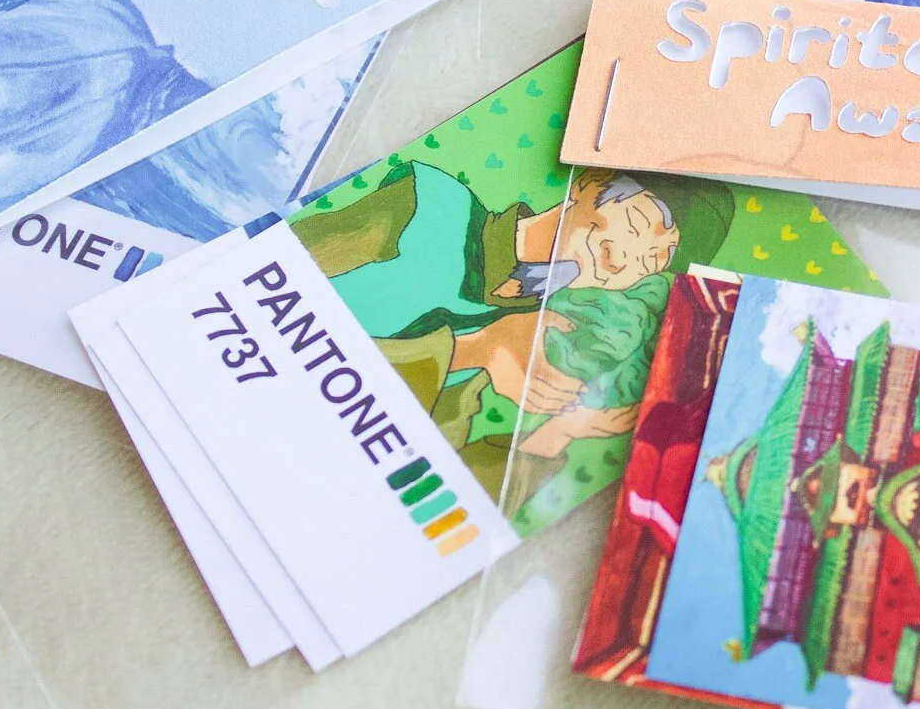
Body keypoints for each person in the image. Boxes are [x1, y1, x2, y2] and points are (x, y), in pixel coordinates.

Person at [290, 163, 734, 514]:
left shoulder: (524, 340)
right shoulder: (431, 206)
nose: (621, 262)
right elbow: (277, 284)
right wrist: (477, 347)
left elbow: (430, 500)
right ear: (589, 183)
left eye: (653, 261)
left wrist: (556, 435)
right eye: (635, 224)